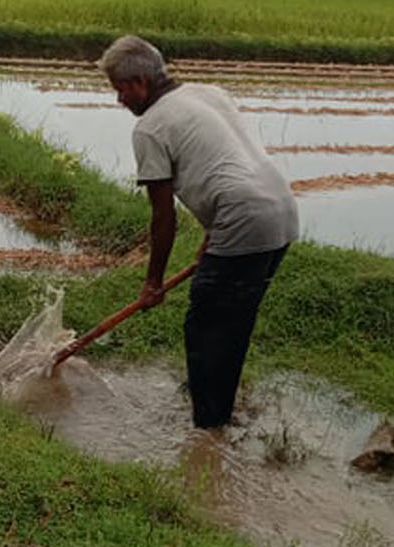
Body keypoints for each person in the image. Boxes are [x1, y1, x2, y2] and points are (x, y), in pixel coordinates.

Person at [98, 35, 299, 430]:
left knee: (206, 327)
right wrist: (215, 231)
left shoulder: (150, 128)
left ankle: (209, 432)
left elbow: (163, 216)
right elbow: (222, 160)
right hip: (281, 210)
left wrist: (152, 281)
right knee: (232, 322)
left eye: (120, 90)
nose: (119, 101)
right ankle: (216, 403)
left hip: (243, 218)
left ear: (140, 82)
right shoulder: (207, 93)